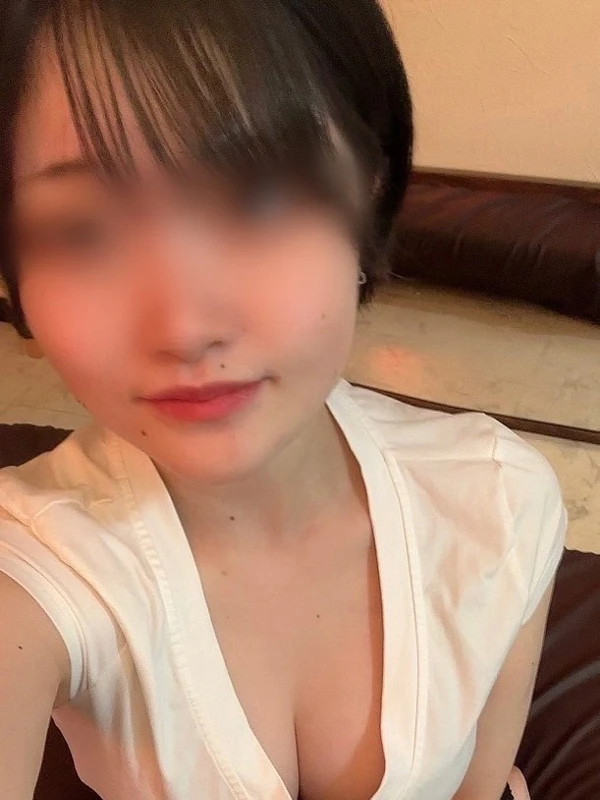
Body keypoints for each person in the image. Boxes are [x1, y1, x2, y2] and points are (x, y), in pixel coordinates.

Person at [0, 2, 566, 799]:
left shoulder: (501, 503)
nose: (185, 327)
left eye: (257, 199)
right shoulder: (33, 572)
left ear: (367, 193)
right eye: (83, 231)